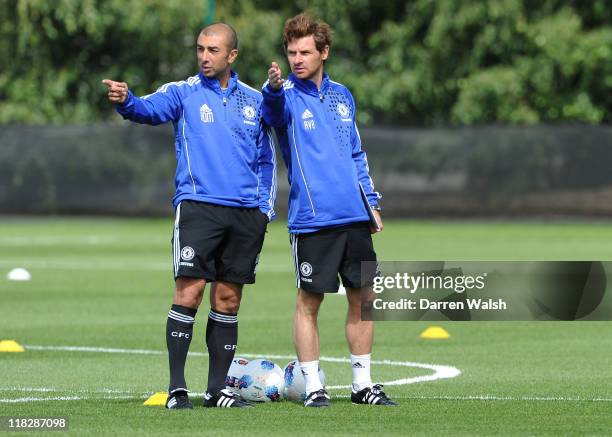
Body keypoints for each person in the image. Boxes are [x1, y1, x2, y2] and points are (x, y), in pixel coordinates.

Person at [102, 23, 276, 409]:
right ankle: (177, 388)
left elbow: (266, 158)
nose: (204, 56)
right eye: (200, 48)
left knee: (228, 299)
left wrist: (265, 207)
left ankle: (217, 392)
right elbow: (146, 109)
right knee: (190, 292)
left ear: (231, 56)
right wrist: (126, 100)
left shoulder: (254, 100)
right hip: (199, 207)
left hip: (247, 213)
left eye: (213, 50)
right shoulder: (183, 92)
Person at [262, 13, 396, 408]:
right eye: (291, 52)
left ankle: (363, 385)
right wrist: (270, 89)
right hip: (312, 220)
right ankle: (313, 386)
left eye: (305, 51)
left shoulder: (342, 96)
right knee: (309, 302)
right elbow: (270, 114)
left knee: (363, 298)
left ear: (324, 52)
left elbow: (356, 153)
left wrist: (370, 202)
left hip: (353, 216)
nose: (297, 59)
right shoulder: (283, 94)